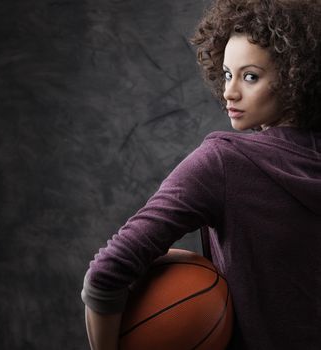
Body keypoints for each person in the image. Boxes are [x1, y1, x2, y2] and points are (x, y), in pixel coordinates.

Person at [81, 0, 321, 349]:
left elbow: (105, 275)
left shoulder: (223, 163)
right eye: (227, 74)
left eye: (250, 76)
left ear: (297, 76)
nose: (229, 92)